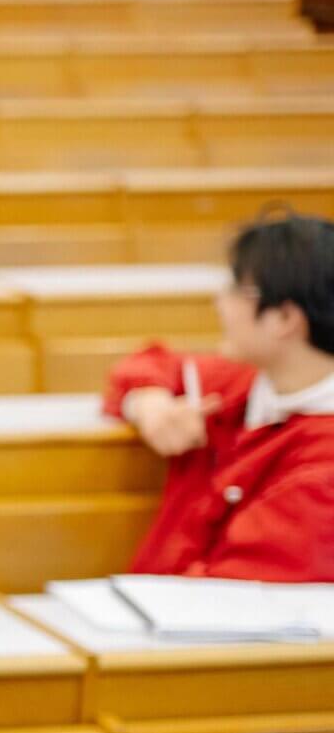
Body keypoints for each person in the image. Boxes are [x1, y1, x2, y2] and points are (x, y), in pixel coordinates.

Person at [105, 211, 334, 581]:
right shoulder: (245, 382)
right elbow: (144, 364)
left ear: (284, 319)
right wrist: (149, 404)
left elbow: (237, 591)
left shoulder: (322, 466)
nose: (219, 301)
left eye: (235, 289)